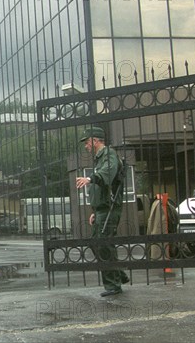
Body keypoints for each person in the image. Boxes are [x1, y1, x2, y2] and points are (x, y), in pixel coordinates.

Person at [75, 126, 128, 297]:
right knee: (98, 243)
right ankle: (118, 275)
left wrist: (89, 179)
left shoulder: (109, 154)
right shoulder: (101, 158)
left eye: (87, 142)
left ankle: (113, 285)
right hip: (102, 209)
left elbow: (108, 174)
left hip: (110, 209)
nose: (86, 146)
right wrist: (95, 210)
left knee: (104, 245)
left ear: (95, 140)